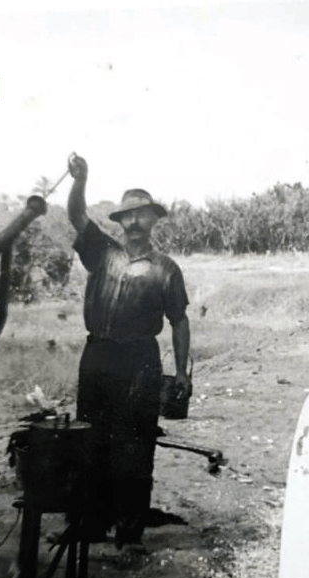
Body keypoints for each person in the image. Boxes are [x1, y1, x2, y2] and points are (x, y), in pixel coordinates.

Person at [66, 153, 191, 552]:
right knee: (91, 441)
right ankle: (91, 524)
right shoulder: (101, 253)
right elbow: (76, 215)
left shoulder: (167, 270)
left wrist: (183, 373)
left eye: (143, 215)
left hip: (140, 361)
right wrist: (80, 180)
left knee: (135, 445)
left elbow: (180, 321)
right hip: (98, 355)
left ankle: (130, 531)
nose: (135, 222)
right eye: (128, 216)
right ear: (119, 222)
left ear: (154, 219)